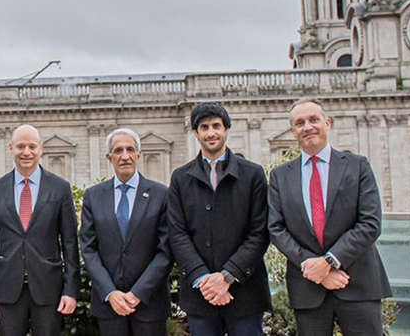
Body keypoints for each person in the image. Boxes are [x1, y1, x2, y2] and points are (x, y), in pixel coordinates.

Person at [268, 97, 392, 336]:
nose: (308, 127)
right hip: (308, 288)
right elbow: (276, 229)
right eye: (300, 123)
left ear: (328, 123)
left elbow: (370, 222)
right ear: (293, 131)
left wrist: (328, 262)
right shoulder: (280, 176)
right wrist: (310, 266)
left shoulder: (357, 166)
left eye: (314, 120)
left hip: (357, 283)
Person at [168, 102, 271, 336]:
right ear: (196, 133)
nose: (211, 132)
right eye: (204, 127)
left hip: (244, 291)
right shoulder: (180, 178)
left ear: (227, 129)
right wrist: (204, 279)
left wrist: (226, 277)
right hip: (200, 293)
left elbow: (260, 232)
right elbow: (177, 233)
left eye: (216, 126)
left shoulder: (253, 174)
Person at [0, 124, 80, 336]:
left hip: (48, 289)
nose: (26, 152)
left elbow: (70, 244)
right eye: (21, 146)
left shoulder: (60, 188)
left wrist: (71, 290)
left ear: (41, 148)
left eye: (32, 146)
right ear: (11, 148)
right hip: (7, 290)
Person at [79, 128, 172, 335]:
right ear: (109, 157)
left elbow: (166, 251)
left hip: (150, 304)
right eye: (118, 150)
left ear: (139, 155)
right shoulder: (93, 196)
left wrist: (138, 293)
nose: (125, 156)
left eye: (130, 149)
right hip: (108, 305)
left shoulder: (161, 194)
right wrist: (111, 293)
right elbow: (88, 249)